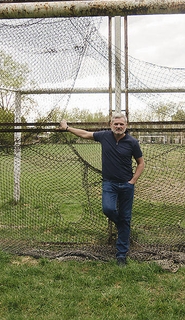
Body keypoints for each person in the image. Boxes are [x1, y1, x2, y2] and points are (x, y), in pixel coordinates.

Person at [60, 113, 144, 266]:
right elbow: (85, 134)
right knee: (108, 209)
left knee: (125, 217)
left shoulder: (132, 142)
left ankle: (121, 256)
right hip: (109, 184)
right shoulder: (104, 136)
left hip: (126, 185)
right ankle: (123, 226)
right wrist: (67, 128)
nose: (118, 126)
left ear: (126, 125)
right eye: (116, 124)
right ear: (111, 124)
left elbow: (141, 163)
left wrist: (132, 181)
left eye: (121, 124)